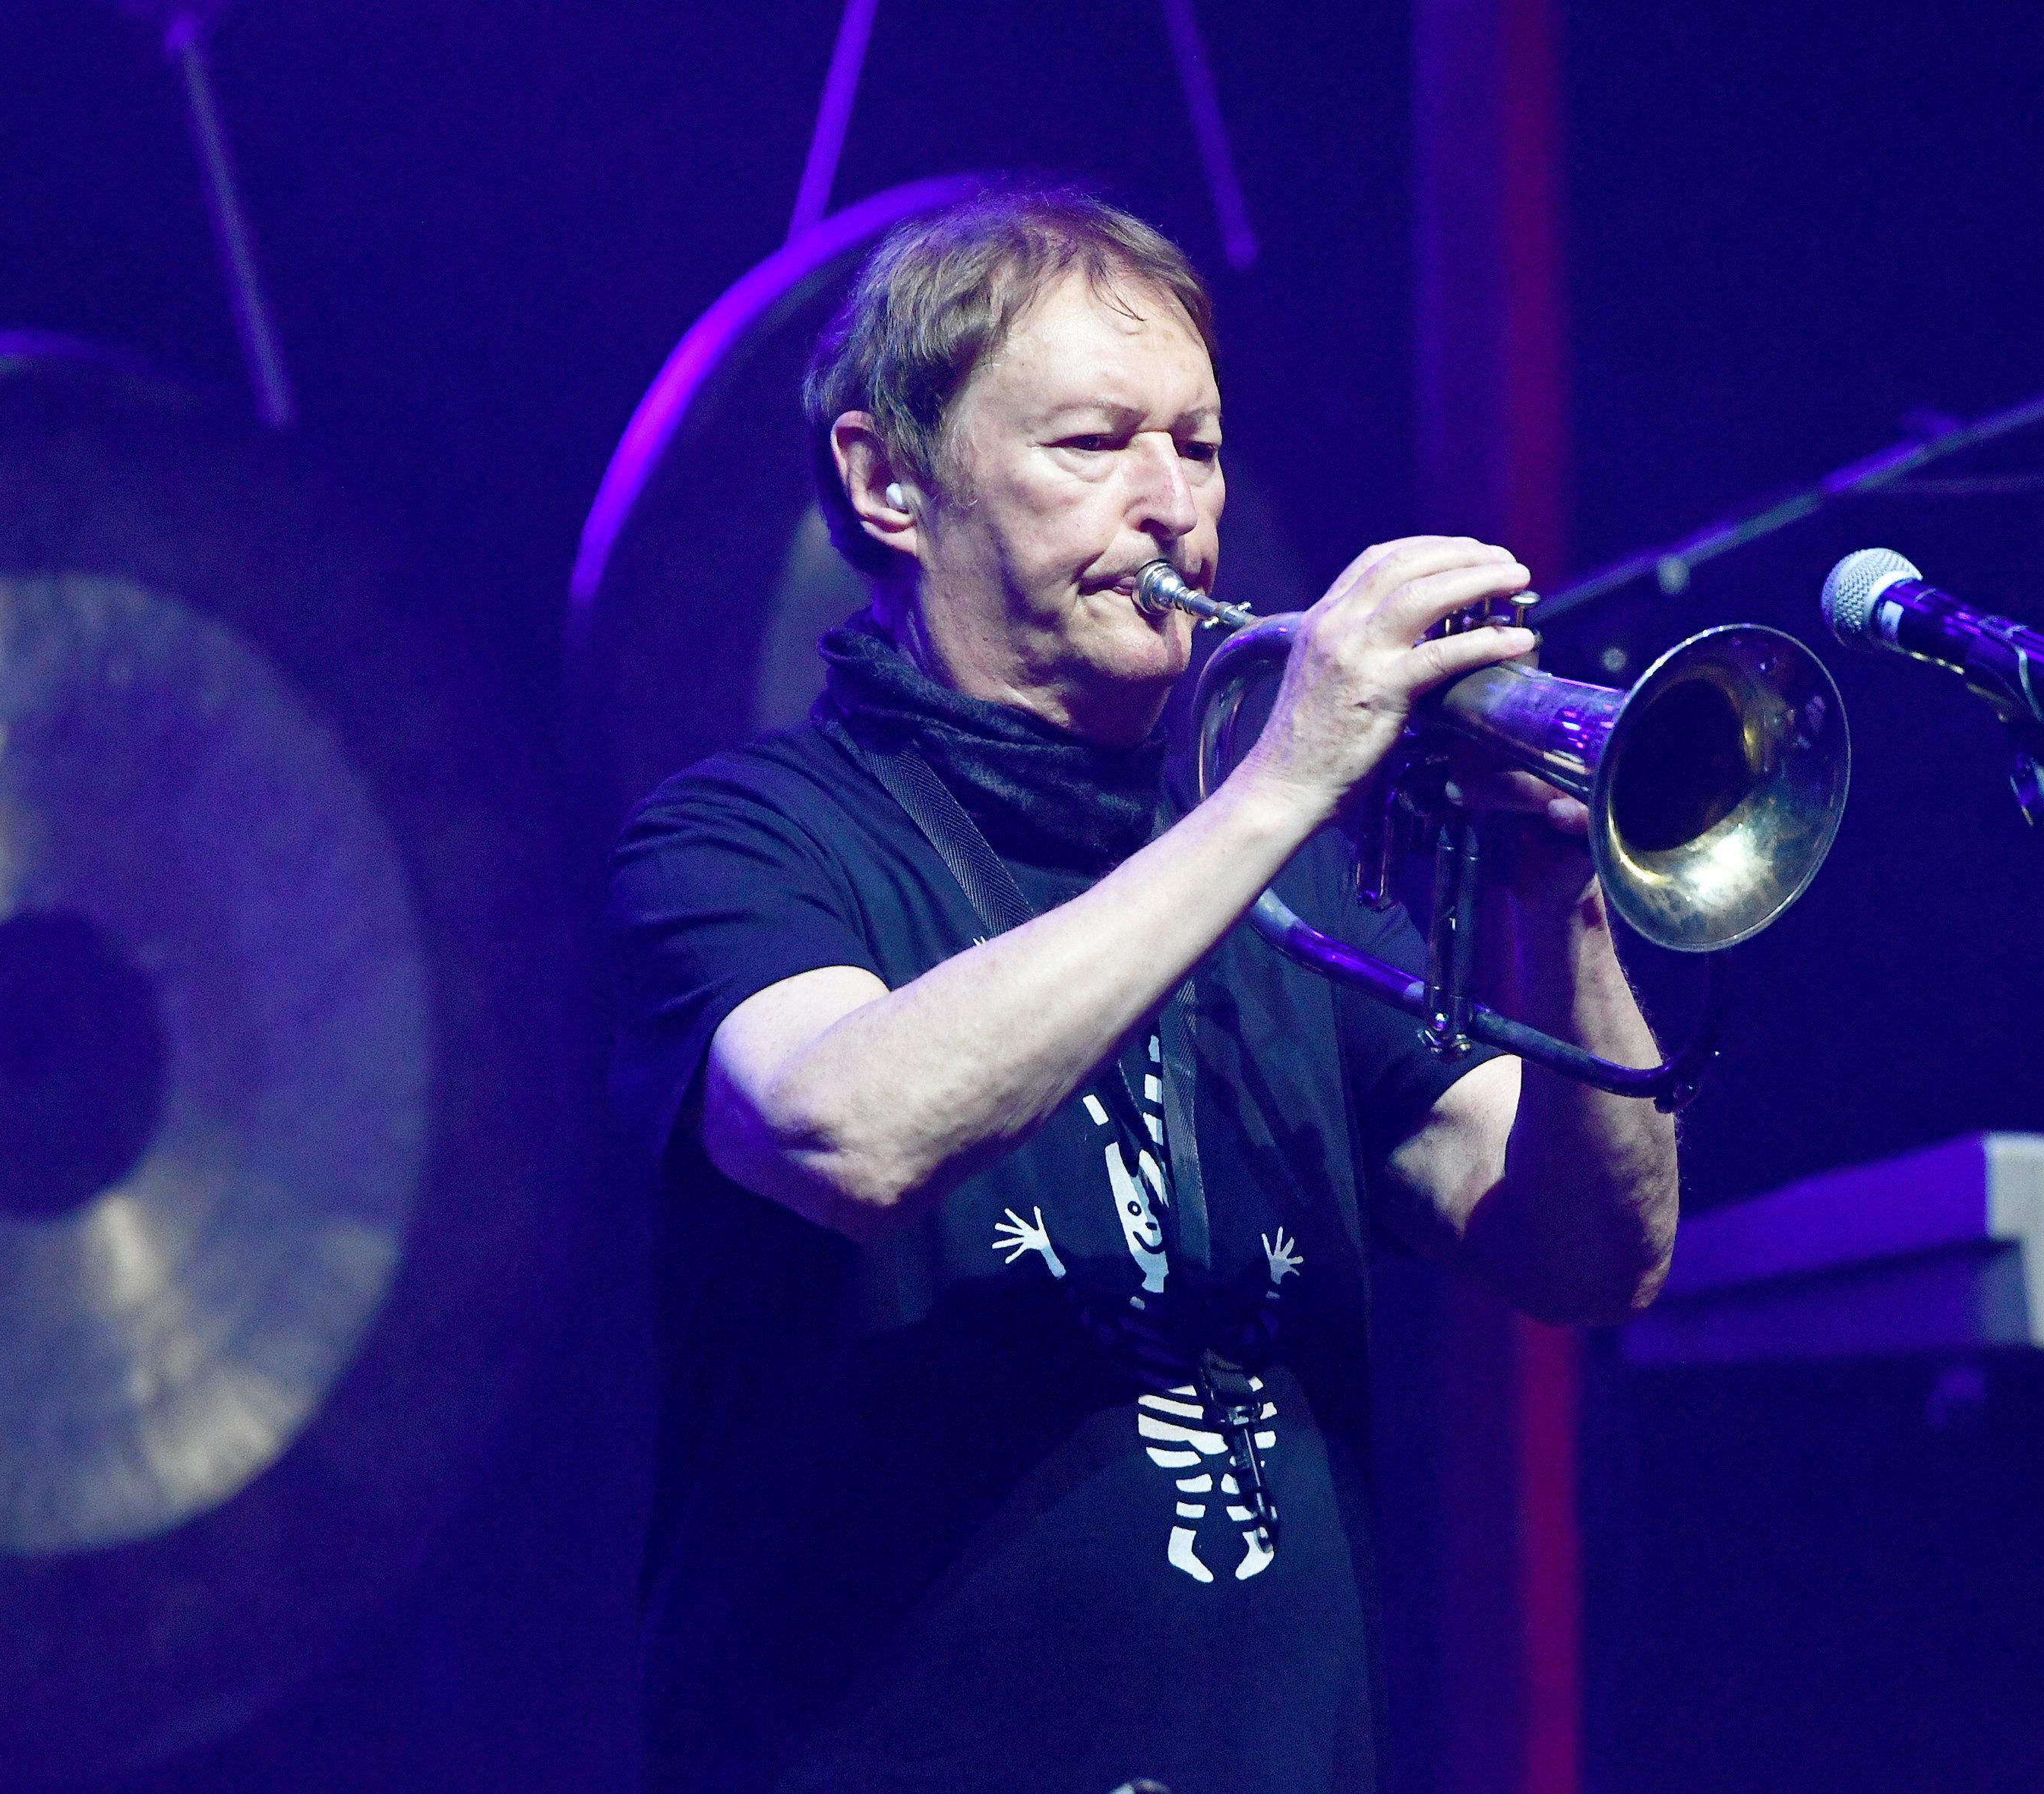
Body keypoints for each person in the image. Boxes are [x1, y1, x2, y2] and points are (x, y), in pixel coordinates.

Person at [604, 182, 1677, 1794]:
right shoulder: (743, 837)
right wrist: (1280, 779)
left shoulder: (1286, 879)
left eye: (1198, 442)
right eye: (1094, 445)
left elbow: (1594, 1253)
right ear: (886, 479)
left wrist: (1564, 902)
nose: (1172, 504)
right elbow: (847, 1131)